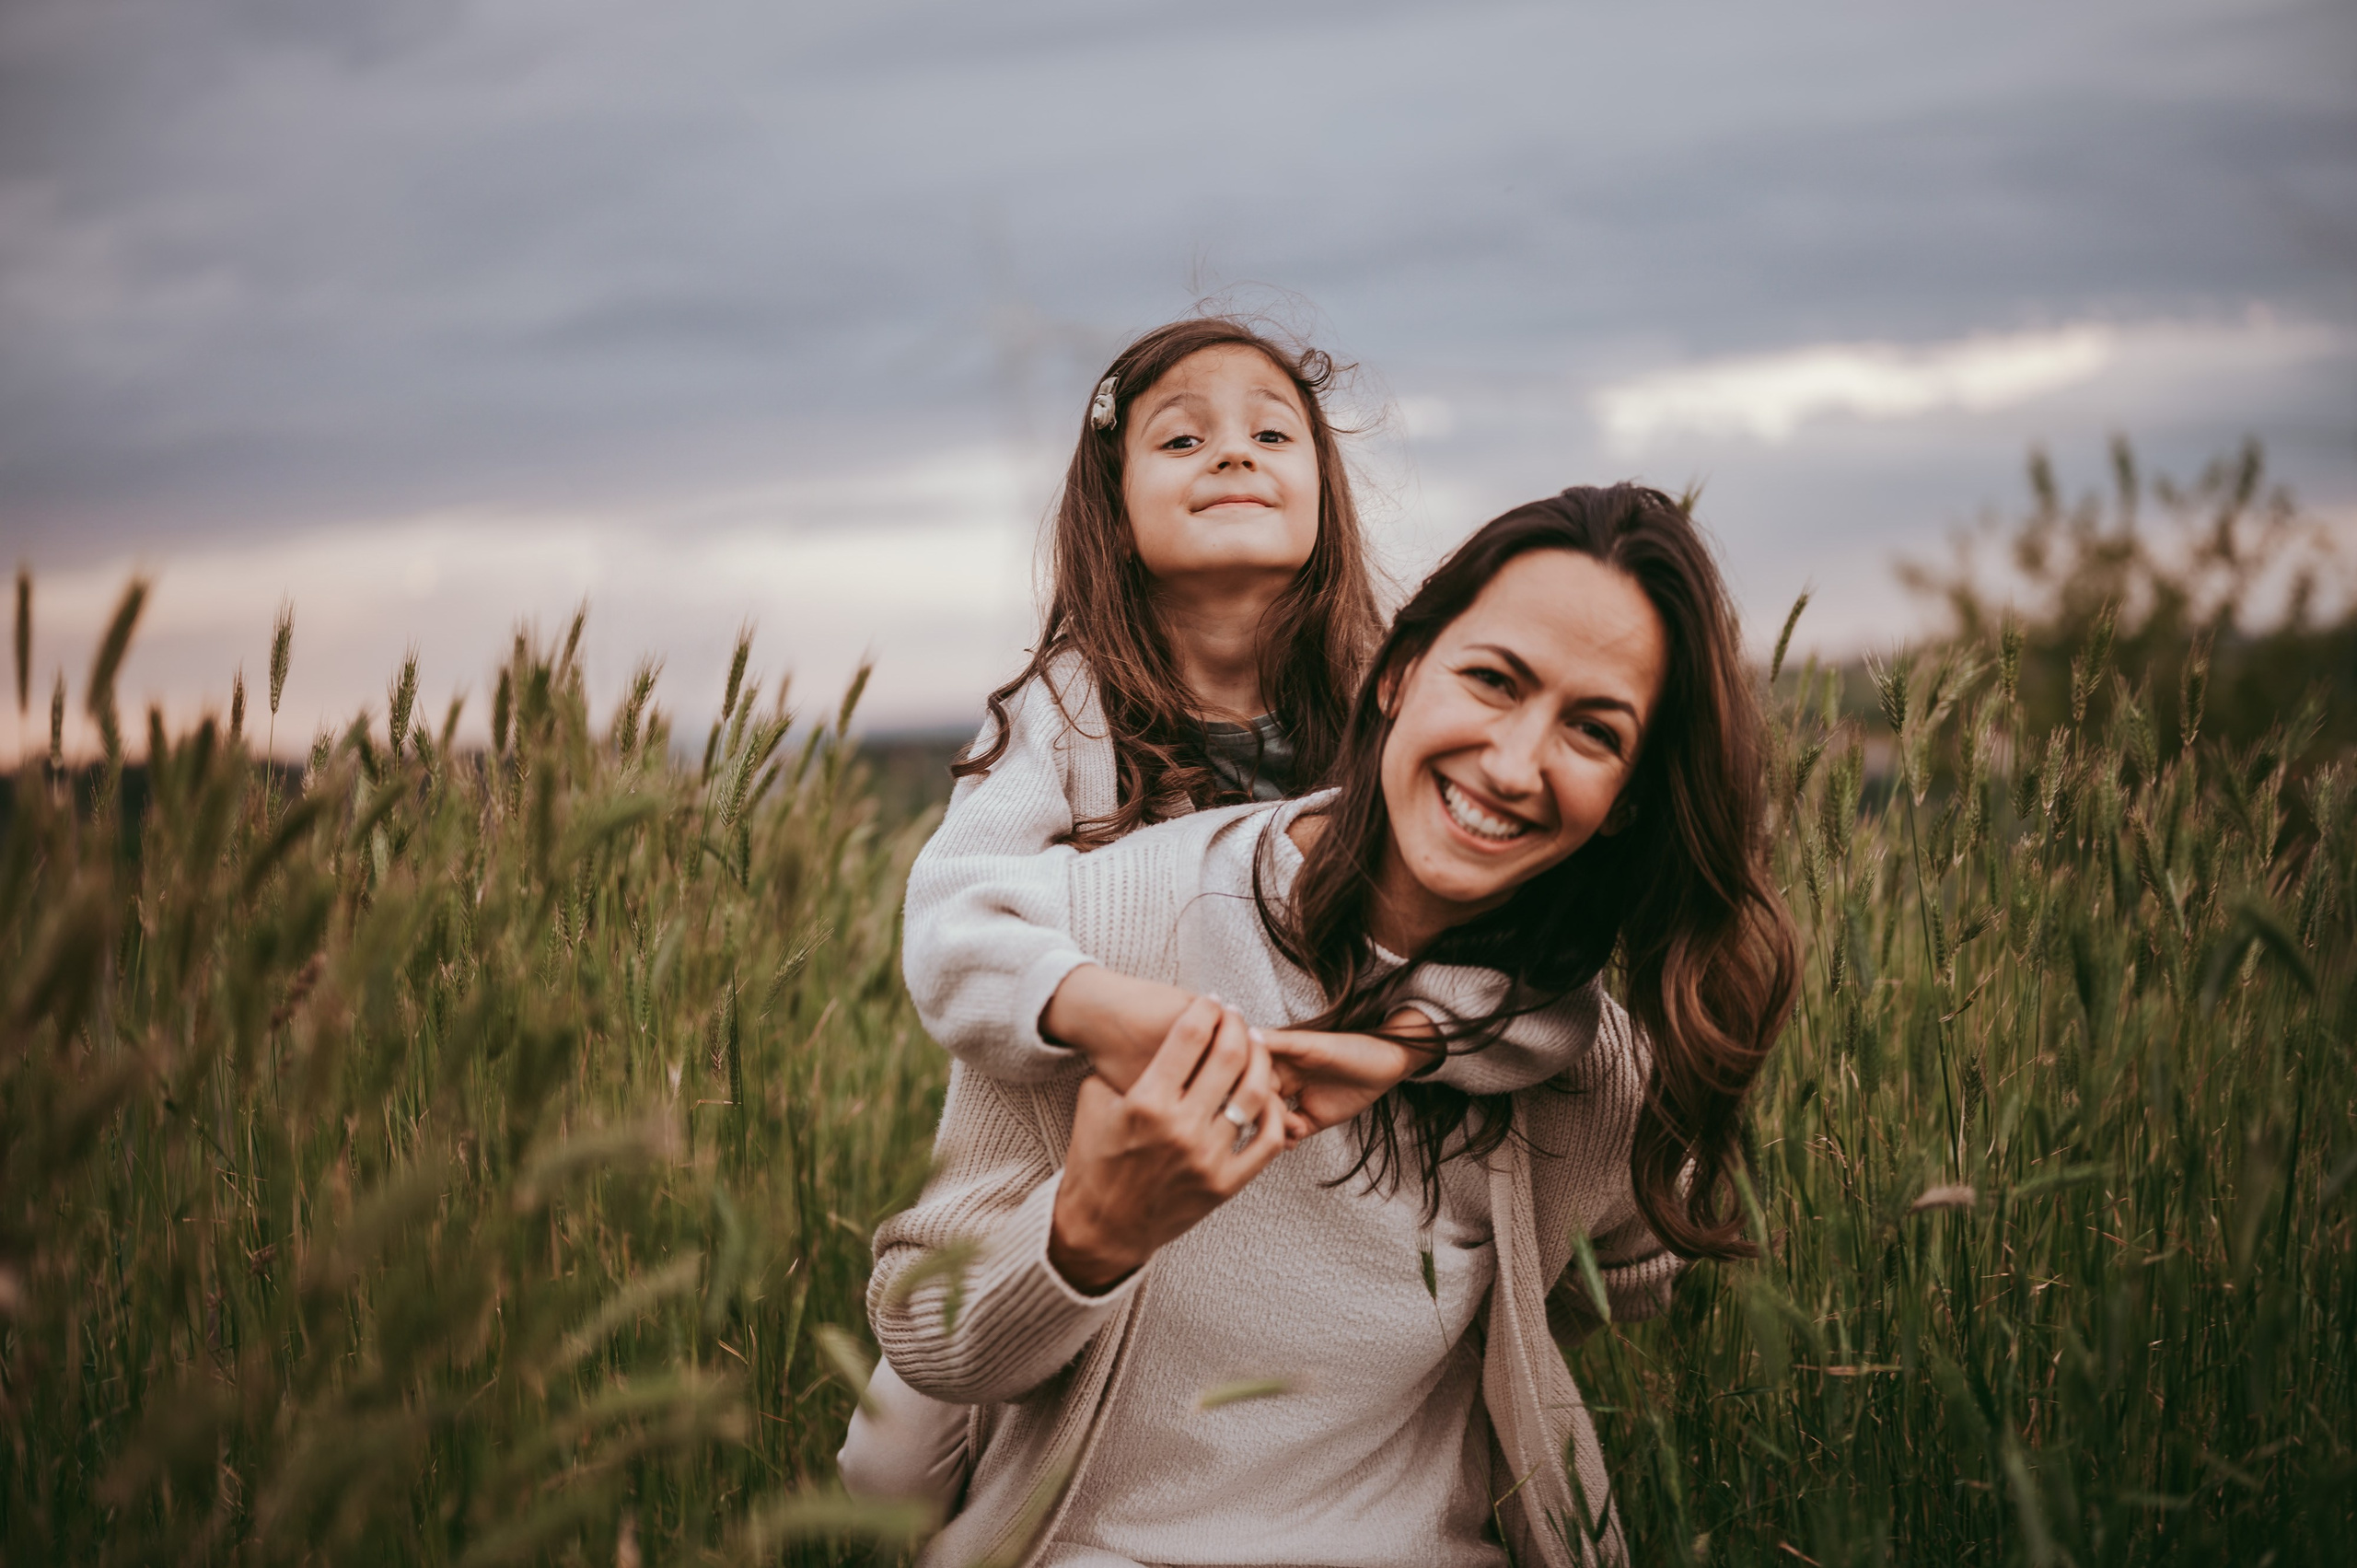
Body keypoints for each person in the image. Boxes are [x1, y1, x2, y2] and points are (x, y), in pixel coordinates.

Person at [869, 484, 1801, 1567]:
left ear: (1628, 799)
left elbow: (1630, 1272)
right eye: (1493, 680)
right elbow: (923, 1332)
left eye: (1592, 731)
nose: (1512, 762)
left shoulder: (1589, 1071)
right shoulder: (1106, 934)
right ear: (1401, 671)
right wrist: (1090, 1232)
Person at [842, 321, 1612, 1504]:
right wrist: (1110, 1011)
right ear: (1111, 502)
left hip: (1310, 1159)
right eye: (1183, 436)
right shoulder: (1065, 714)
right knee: (886, 1467)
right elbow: (956, 924)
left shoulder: (1386, 706)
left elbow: (1532, 972)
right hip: (1067, 1148)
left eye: (1271, 432)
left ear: (1324, 492)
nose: (1233, 456)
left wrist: (1396, 1040)